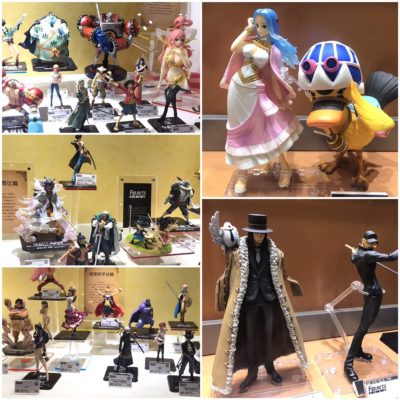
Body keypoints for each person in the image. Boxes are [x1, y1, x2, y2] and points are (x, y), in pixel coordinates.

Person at [209, 212, 307, 394]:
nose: (259, 238)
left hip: (269, 300)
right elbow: (230, 274)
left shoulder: (275, 253)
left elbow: (279, 275)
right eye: (256, 234)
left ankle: (270, 367)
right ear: (250, 233)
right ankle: (252, 372)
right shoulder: (239, 253)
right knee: (250, 338)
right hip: (250, 302)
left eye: (262, 234)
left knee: (269, 335)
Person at [220, 9, 302, 193]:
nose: (260, 28)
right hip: (236, 89)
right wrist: (248, 29)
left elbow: (273, 77)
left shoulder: (274, 51)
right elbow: (234, 48)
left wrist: (280, 99)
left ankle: (284, 166)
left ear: (272, 25)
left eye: (263, 25)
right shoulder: (250, 41)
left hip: (255, 91)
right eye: (257, 25)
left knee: (270, 127)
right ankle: (242, 172)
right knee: (237, 129)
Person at [344, 231, 398, 382]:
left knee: (366, 326)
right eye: (371, 242)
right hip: (373, 295)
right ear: (363, 241)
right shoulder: (368, 255)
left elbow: (354, 258)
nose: (374, 245)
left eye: (375, 243)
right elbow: (391, 257)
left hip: (374, 293)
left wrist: (358, 251)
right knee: (362, 328)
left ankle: (358, 351)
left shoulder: (357, 254)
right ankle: (348, 363)